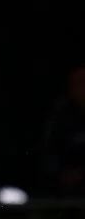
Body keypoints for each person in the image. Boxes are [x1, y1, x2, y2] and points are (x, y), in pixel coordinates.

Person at [39, 66, 85, 197]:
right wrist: (61, 173)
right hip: (66, 185)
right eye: (79, 84)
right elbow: (48, 152)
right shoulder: (60, 116)